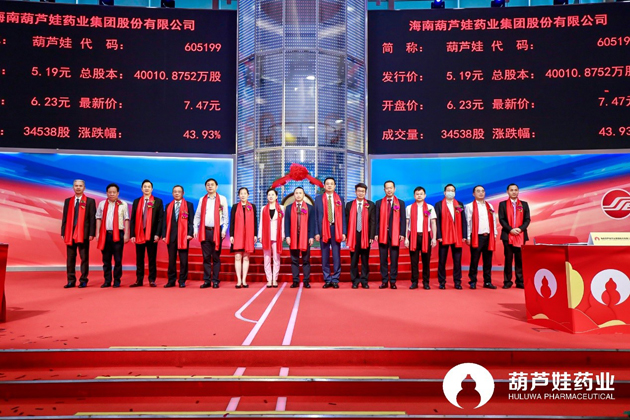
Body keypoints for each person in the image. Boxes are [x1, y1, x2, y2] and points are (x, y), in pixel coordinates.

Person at [194, 178, 228, 289]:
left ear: (216, 186)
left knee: (216, 257)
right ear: (205, 187)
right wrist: (195, 229)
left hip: (217, 231)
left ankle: (216, 281)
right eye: (208, 185)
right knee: (206, 257)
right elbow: (198, 215)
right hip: (205, 231)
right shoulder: (202, 199)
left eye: (212, 184)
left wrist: (224, 230)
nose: (210, 186)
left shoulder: (222, 199)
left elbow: (225, 216)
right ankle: (207, 280)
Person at [61, 179, 96, 288]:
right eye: (76, 186)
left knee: (84, 258)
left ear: (84, 188)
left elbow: (92, 219)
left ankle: (83, 280)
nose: (78, 187)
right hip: (70, 233)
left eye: (80, 186)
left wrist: (92, 233)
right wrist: (63, 232)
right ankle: (71, 280)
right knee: (70, 259)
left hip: (83, 234)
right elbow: (64, 218)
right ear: (73, 187)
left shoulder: (90, 201)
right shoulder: (68, 201)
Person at [129, 180, 164, 288]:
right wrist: (132, 234)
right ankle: (139, 280)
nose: (147, 188)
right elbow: (133, 219)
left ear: (152, 189)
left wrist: (158, 234)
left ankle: (152, 280)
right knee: (139, 258)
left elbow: (160, 219)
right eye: (145, 186)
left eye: (149, 187)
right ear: (141, 189)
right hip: (139, 233)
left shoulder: (158, 201)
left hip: (152, 234)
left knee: (152, 258)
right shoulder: (136, 201)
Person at [95, 183, 130, 288]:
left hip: (118, 234)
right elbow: (98, 218)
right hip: (105, 234)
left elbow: (126, 219)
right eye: (110, 192)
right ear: (107, 193)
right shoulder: (102, 204)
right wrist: (97, 233)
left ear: (118, 193)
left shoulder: (123, 204)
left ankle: (117, 280)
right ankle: (107, 281)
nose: (112, 194)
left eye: (114, 192)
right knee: (106, 260)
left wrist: (126, 234)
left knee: (118, 259)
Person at [314, 177, 346, 289]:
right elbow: (316, 217)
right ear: (324, 186)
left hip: (335, 229)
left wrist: (344, 232)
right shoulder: (318, 199)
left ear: (335, 186)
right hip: (323, 229)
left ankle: (335, 279)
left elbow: (343, 216)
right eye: (327, 183)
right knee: (325, 255)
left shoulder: (340, 199)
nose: (329, 185)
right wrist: (317, 232)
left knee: (336, 255)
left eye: (331, 184)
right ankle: (327, 279)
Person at [464, 185, 498, 290]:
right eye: (478, 191)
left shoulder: (489, 206)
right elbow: (468, 223)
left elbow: (493, 220)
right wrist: (468, 236)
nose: (481, 193)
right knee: (474, 260)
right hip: (476, 237)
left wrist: (494, 234)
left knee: (488, 261)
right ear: (473, 194)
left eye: (482, 191)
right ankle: (472, 281)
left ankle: (487, 281)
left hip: (488, 236)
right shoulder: (469, 206)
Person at [434, 184, 467, 290]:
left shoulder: (459, 204)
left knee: (457, 260)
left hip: (457, 236)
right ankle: (442, 282)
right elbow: (437, 221)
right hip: (444, 236)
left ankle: (457, 282)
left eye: (452, 190)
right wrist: (438, 235)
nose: (450, 192)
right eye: (448, 190)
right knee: (442, 260)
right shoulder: (438, 205)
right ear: (444, 192)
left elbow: (463, 220)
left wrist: (464, 235)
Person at [374, 180, 406, 289]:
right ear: (384, 190)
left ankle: (393, 281)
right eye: (387, 188)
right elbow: (376, 220)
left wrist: (402, 233)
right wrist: (376, 233)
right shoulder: (379, 203)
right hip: (382, 233)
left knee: (394, 259)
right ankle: (384, 281)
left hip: (395, 235)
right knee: (383, 259)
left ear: (394, 189)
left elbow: (403, 220)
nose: (389, 190)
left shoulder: (400, 203)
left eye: (391, 188)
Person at [498, 183, 531, 289]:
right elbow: (502, 219)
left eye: (516, 190)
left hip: (521, 235)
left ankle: (520, 281)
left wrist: (520, 229)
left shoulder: (524, 204)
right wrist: (510, 230)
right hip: (507, 235)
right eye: (511, 190)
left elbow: (527, 219)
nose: (514, 192)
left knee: (519, 259)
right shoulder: (502, 204)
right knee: (508, 259)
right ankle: (507, 281)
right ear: (507, 192)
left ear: (518, 191)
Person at [405, 187, 437, 290]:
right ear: (414, 196)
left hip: (426, 236)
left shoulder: (430, 207)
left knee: (426, 261)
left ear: (425, 195)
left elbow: (433, 223)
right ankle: (414, 282)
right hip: (413, 236)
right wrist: (406, 238)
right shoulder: (409, 208)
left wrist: (434, 238)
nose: (419, 196)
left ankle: (426, 282)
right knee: (414, 262)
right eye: (417, 194)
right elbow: (406, 223)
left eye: (421, 194)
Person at [345, 183, 375, 289]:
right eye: (359, 191)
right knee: (354, 259)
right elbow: (346, 221)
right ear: (355, 192)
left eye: (363, 191)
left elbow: (373, 222)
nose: (360, 193)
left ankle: (364, 280)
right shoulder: (349, 205)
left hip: (365, 235)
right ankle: (355, 280)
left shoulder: (371, 205)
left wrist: (371, 236)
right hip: (353, 235)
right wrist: (346, 234)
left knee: (365, 259)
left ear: (365, 192)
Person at [162, 185, 194, 288]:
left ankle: (182, 280)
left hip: (184, 237)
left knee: (183, 260)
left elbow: (191, 221)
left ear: (183, 193)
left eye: (179, 191)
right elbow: (164, 222)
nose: (177, 193)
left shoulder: (189, 205)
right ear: (172, 193)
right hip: (171, 236)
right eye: (175, 191)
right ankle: (171, 280)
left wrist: (190, 233)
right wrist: (164, 235)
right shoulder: (168, 206)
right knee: (171, 260)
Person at [284, 187, 315, 288]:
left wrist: (311, 236)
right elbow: (286, 223)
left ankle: (306, 281)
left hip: (305, 236)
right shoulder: (289, 208)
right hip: (293, 236)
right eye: (296, 193)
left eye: (300, 193)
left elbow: (312, 223)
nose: (298, 195)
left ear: (304, 195)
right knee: (294, 260)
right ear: (294, 195)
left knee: (306, 260)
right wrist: (287, 236)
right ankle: (295, 280)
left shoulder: (310, 208)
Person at [230, 187, 258, 288]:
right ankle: (238, 280)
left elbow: (255, 221)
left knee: (246, 257)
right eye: (241, 193)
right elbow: (232, 221)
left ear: (248, 195)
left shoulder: (252, 206)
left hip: (249, 235)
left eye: (245, 193)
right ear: (238, 195)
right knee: (238, 257)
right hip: (238, 235)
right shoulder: (235, 207)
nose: (243, 195)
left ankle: (244, 280)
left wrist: (255, 234)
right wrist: (231, 235)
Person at [258, 188, 285, 288]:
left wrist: (282, 234)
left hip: (277, 236)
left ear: (276, 196)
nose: (270, 196)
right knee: (267, 258)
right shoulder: (263, 209)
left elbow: (283, 223)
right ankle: (269, 279)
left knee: (276, 258)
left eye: (272, 194)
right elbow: (261, 222)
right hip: (266, 236)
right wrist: (260, 235)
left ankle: (275, 279)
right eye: (269, 195)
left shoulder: (281, 208)